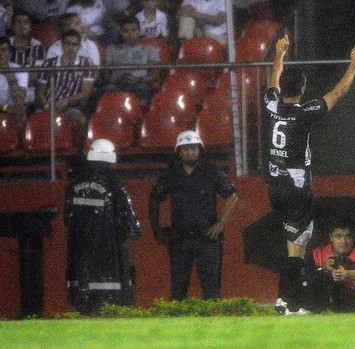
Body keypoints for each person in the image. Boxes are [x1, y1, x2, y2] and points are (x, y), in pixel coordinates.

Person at [263, 34, 355, 315]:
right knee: (297, 249)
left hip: (275, 184)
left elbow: (273, 79)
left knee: (291, 244)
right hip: (296, 187)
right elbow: (339, 92)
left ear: (282, 87)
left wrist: (279, 55)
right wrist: (354, 63)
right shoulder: (305, 113)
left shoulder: (271, 106)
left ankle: (284, 300)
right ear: (304, 88)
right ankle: (291, 305)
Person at [149, 130, 239, 301]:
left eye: (194, 148)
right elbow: (154, 200)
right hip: (179, 239)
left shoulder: (211, 171)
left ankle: (213, 326)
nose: (191, 152)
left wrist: (221, 223)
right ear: (179, 152)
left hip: (207, 238)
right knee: (177, 291)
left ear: (199, 150)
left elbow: (232, 196)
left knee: (212, 291)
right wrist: (157, 231)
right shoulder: (171, 173)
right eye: (186, 149)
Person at [64, 138, 141, 315]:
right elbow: (129, 220)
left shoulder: (74, 184)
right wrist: (134, 230)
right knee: (109, 299)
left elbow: (67, 217)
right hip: (109, 251)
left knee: (82, 298)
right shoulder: (115, 185)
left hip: (80, 251)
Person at [303, 221, 355, 313]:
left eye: (348, 237)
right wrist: (325, 269)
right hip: (324, 302)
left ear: (353, 238)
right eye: (338, 236)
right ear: (331, 237)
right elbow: (306, 279)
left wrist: (347, 274)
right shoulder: (317, 253)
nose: (343, 242)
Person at [36, 29, 96, 141]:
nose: (71, 47)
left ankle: (80, 153)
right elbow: (40, 92)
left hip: (70, 106)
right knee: (36, 119)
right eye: (68, 43)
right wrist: (47, 107)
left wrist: (67, 101)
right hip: (48, 105)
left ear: (79, 47)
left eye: (74, 44)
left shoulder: (86, 63)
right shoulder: (49, 64)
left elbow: (86, 93)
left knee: (81, 120)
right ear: (62, 45)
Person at [100, 15, 160, 106]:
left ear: (139, 31)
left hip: (139, 83)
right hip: (117, 84)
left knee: (142, 88)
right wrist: (116, 79)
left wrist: (139, 80)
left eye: (133, 30)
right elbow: (105, 75)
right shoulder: (111, 49)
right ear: (121, 32)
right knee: (108, 89)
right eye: (126, 31)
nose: (130, 34)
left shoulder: (149, 49)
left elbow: (155, 75)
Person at [9, 12, 46, 111]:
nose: (22, 25)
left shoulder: (38, 47)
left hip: (30, 91)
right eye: (18, 22)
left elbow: (34, 75)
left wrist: (17, 88)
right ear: (12, 26)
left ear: (30, 26)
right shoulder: (6, 45)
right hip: (6, 90)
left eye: (25, 22)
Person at [0, 36, 27, 125]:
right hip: (5, 108)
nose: (0, 53)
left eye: (3, 50)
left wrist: (6, 70)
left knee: (21, 111)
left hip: (13, 110)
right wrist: (5, 108)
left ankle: (19, 138)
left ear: (10, 53)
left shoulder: (20, 70)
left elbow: (19, 99)